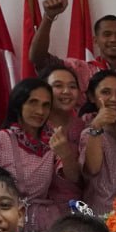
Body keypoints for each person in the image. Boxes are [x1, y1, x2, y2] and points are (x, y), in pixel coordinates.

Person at [0, 78, 77, 232]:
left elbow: (73, 178)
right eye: (33, 102)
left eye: (46, 105)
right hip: (7, 221)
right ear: (19, 104)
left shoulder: (52, 140)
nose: (40, 111)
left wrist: (66, 154)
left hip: (44, 220)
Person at [29, 0, 116, 98]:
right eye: (107, 34)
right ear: (95, 40)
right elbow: (38, 58)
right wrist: (48, 17)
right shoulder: (78, 69)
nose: (113, 39)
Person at [79, 69, 116, 213]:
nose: (114, 98)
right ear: (92, 97)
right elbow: (92, 169)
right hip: (102, 212)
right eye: (106, 92)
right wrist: (96, 126)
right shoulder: (89, 132)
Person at [41, 65, 86, 211]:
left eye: (72, 86)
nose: (66, 91)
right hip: (40, 212)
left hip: (78, 211)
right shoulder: (35, 126)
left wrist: (66, 156)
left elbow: (84, 178)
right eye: (58, 86)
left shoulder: (84, 127)